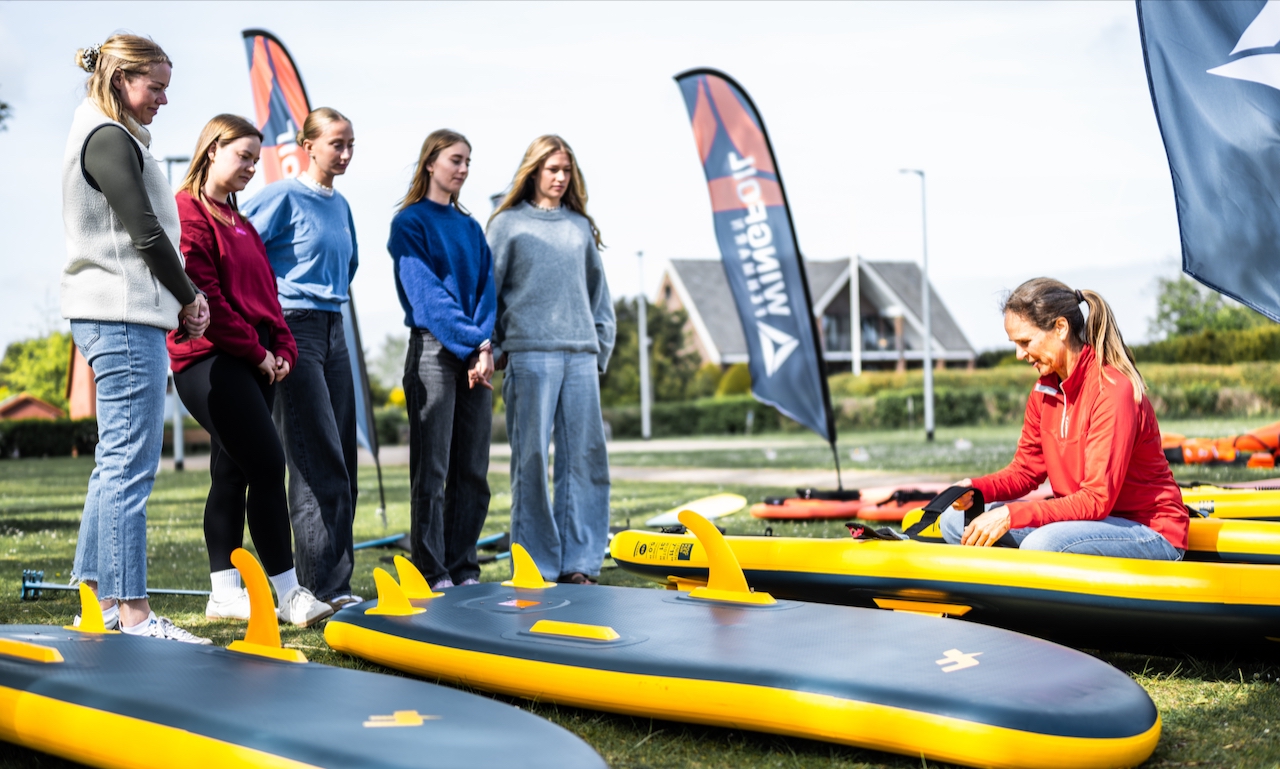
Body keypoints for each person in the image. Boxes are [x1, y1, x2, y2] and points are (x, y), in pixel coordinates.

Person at [62, 34, 211, 642]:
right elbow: (146, 234)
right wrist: (189, 296)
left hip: (116, 314)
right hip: (122, 318)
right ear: (122, 79)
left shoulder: (100, 133)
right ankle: (134, 614)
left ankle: (96, 606)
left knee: (112, 464)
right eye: (157, 87)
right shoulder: (107, 138)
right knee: (131, 464)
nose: (164, 100)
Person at [167, 114, 334, 627]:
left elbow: (266, 296)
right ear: (212, 150)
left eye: (254, 158)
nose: (250, 167)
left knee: (232, 471)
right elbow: (206, 298)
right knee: (266, 464)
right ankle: (289, 593)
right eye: (242, 155)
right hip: (210, 360)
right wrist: (257, 353)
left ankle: (223, 593)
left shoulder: (239, 220)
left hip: (254, 358)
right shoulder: (186, 211)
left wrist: (281, 346)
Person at [940, 278, 1188, 559]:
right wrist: (975, 488)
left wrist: (1012, 514)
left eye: (1025, 342)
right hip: (1085, 525)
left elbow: (1097, 500)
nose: (1019, 354)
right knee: (955, 522)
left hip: (1148, 531)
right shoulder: (1043, 391)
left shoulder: (1112, 391)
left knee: (1042, 543)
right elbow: (1025, 471)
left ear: (1060, 328)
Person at [241, 108, 361, 611]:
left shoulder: (343, 205)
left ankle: (336, 583)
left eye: (352, 143)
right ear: (307, 146)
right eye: (337, 143)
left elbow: (349, 264)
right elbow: (239, 245)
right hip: (294, 327)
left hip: (335, 328)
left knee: (344, 459)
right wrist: (263, 314)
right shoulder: (283, 195)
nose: (347, 153)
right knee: (315, 458)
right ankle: (319, 588)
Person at [487, 135, 615, 584]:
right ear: (533, 171)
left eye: (566, 171)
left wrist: (601, 348)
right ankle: (537, 565)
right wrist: (495, 346)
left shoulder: (579, 226)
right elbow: (488, 292)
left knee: (585, 460)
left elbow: (600, 297)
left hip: (580, 357)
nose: (560, 178)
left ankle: (580, 563)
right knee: (533, 461)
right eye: (552, 170)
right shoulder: (506, 224)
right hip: (529, 355)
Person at [388, 129, 496, 590]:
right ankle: (432, 572)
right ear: (430, 162)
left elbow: (488, 291)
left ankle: (463, 567)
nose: (463, 169)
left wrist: (485, 346)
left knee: (472, 471)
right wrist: (475, 344)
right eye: (456, 159)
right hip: (434, 350)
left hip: (477, 355)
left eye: (468, 161)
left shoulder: (471, 227)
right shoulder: (409, 223)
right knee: (431, 472)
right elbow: (428, 299)